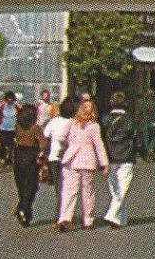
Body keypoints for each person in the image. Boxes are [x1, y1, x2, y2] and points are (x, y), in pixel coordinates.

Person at [56, 96, 108, 231]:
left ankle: (65, 218)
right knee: (87, 191)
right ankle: (88, 220)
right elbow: (99, 145)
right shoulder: (94, 126)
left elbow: (61, 137)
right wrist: (104, 163)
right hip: (87, 160)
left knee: (69, 190)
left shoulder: (72, 123)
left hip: (71, 159)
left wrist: (67, 144)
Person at [100, 92, 138, 228]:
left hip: (110, 156)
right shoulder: (129, 119)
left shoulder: (105, 119)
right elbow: (135, 137)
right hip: (127, 155)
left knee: (115, 188)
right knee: (123, 187)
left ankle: (120, 219)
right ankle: (112, 215)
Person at [11, 105, 46, 226]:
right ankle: (23, 209)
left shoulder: (17, 126)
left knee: (21, 186)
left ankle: (25, 212)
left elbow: (12, 140)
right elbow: (44, 144)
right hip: (31, 158)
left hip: (19, 156)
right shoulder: (36, 128)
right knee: (31, 186)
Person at [42, 97, 73, 194]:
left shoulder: (53, 122)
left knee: (58, 187)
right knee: (69, 188)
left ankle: (61, 206)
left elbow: (45, 136)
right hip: (71, 159)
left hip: (54, 157)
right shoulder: (74, 123)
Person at [0, 91, 20, 166]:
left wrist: (17, 103)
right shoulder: (2, 104)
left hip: (12, 128)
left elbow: (21, 112)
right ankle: (3, 157)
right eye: (8, 98)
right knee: (3, 144)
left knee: (11, 145)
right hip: (3, 127)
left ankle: (9, 159)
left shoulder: (15, 105)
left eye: (11, 98)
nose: (10, 100)